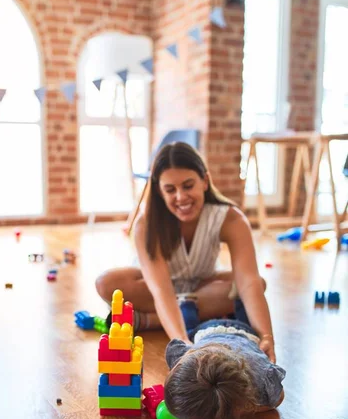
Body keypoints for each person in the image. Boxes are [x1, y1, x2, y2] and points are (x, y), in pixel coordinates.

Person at [96, 142, 276, 363]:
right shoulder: (146, 224)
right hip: (156, 291)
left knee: (257, 283)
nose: (181, 197)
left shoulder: (231, 218)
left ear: (205, 181)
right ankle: (186, 314)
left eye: (188, 186)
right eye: (170, 190)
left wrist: (266, 336)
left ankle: (151, 320)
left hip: (202, 286)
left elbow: (248, 281)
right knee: (107, 283)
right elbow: (161, 291)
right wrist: (182, 342)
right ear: (160, 192)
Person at [164, 299, 286, 419]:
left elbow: (278, 398)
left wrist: (243, 407)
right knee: (189, 329)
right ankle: (188, 305)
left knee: (245, 318)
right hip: (208, 330)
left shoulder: (259, 378)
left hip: (246, 332)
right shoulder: (188, 353)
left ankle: (240, 303)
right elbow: (278, 397)